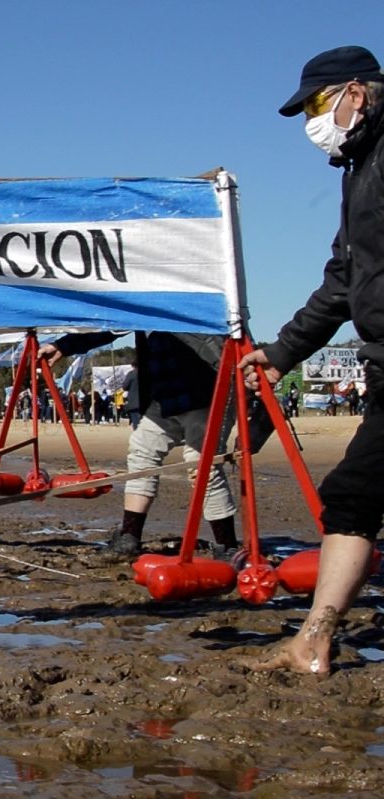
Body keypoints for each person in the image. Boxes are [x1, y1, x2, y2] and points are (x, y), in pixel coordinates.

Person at [238, 45, 384, 675]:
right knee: (353, 497)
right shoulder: (358, 167)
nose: (311, 121)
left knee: (350, 496)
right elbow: (343, 280)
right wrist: (284, 351)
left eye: (316, 105)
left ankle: (313, 641)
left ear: (356, 90)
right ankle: (314, 640)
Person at [40, 331, 239, 559]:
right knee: (141, 453)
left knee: (203, 466)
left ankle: (227, 546)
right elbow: (112, 321)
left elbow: (233, 333)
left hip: (209, 389)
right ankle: (129, 537)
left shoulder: (196, 296)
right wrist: (63, 346)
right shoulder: (141, 299)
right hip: (165, 397)